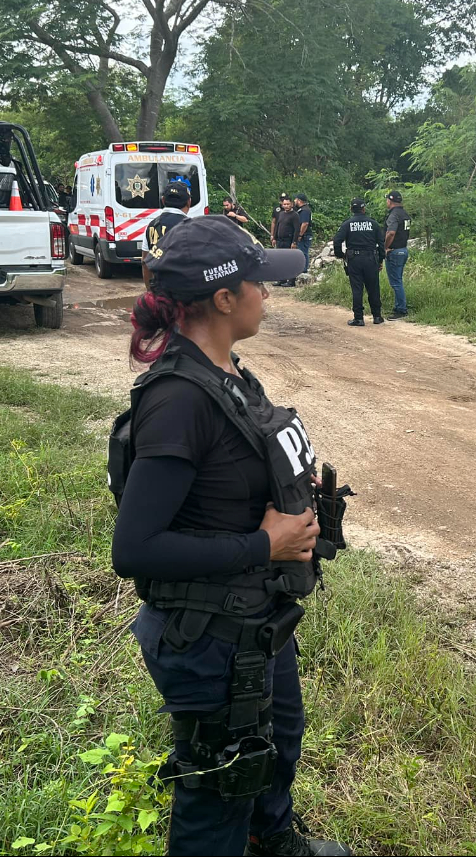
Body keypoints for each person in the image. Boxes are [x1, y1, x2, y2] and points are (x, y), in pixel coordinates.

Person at [112, 216, 351, 857]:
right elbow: (133, 549)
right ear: (223, 298)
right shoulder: (178, 401)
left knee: (277, 743)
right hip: (208, 635)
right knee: (220, 783)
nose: (266, 295)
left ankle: (273, 842)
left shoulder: (229, 375)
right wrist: (261, 545)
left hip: (255, 621)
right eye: (257, 283)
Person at [332, 198, 384, 326]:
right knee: (373, 288)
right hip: (371, 259)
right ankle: (377, 316)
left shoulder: (347, 224)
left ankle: (359, 318)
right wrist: (381, 259)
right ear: (364, 209)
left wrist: (341, 255)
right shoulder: (373, 223)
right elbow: (381, 243)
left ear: (351, 209)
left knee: (357, 289)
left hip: (354, 259)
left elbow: (337, 241)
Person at [141, 183, 193, 282]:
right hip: (184, 291)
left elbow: (146, 262)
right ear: (189, 202)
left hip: (160, 291)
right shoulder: (192, 227)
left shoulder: (152, 225)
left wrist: (151, 292)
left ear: (163, 200)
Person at [382, 191, 411, 319]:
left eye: (387, 199)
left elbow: (391, 233)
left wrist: (385, 247)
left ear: (390, 200)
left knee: (396, 282)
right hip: (403, 249)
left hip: (394, 251)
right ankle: (400, 306)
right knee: (398, 280)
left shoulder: (394, 215)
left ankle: (401, 309)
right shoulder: (405, 214)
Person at [272, 198, 301, 287]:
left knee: (290, 261)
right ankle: (282, 279)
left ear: (291, 204)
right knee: (281, 261)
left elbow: (297, 229)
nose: (286, 206)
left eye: (288, 204)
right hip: (280, 240)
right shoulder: (281, 214)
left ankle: (291, 281)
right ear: (282, 205)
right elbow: (277, 225)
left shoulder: (294, 215)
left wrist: (294, 242)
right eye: (285, 204)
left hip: (289, 240)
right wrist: (274, 237)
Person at [292, 194, 314, 273]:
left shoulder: (304, 210)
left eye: (295, 199)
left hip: (305, 235)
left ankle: (304, 269)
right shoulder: (302, 209)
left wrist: (300, 235)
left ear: (299, 200)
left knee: (303, 252)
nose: (294, 201)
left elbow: (305, 224)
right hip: (304, 235)